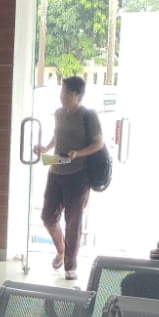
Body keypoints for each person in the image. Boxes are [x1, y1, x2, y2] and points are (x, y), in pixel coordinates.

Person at [32, 75, 105, 279]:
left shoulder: (88, 116)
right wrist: (45, 148)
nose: (62, 96)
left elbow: (98, 143)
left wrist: (78, 153)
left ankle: (70, 265)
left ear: (78, 95)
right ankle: (61, 251)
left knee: (73, 221)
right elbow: (57, 135)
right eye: (61, 91)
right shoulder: (58, 113)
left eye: (66, 93)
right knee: (48, 216)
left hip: (78, 175)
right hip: (56, 170)